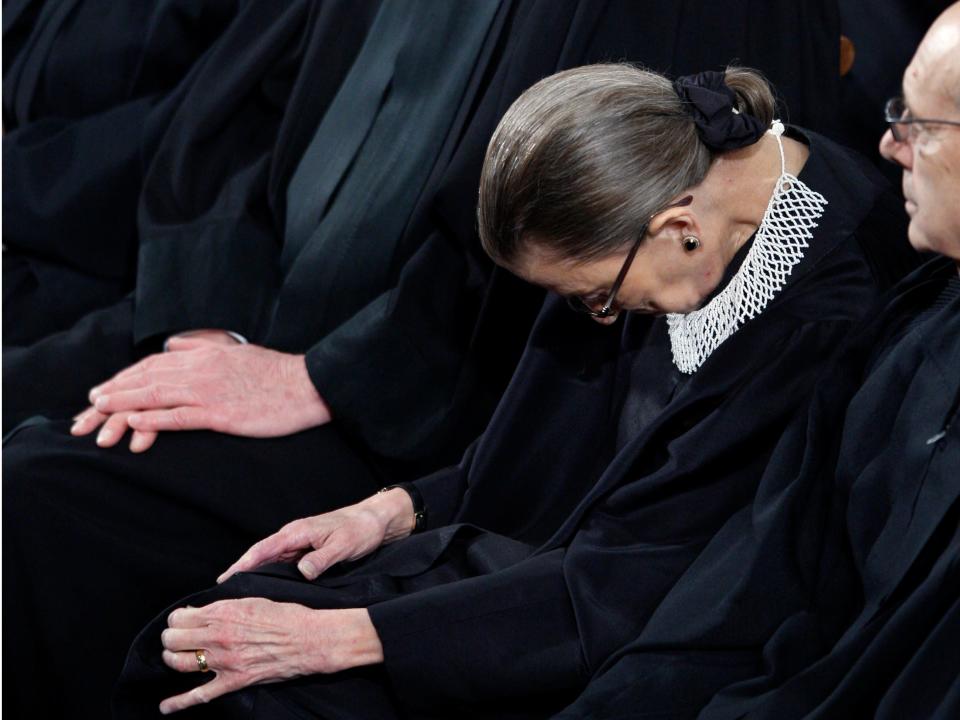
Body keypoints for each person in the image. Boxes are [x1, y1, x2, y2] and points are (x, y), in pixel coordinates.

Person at [4, 4, 847, 718]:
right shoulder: (659, 246)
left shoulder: (801, 296)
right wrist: (390, 511)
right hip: (523, 546)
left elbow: (653, 570)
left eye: (593, 298)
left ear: (675, 226)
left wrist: (349, 632)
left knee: (224, 667)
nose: (598, 317)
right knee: (115, 556)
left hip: (602, 605)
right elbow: (537, 439)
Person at [553, 5, 960, 717]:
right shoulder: (926, 312)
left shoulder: (847, 296)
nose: (892, 144)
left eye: (921, 125)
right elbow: (762, 573)